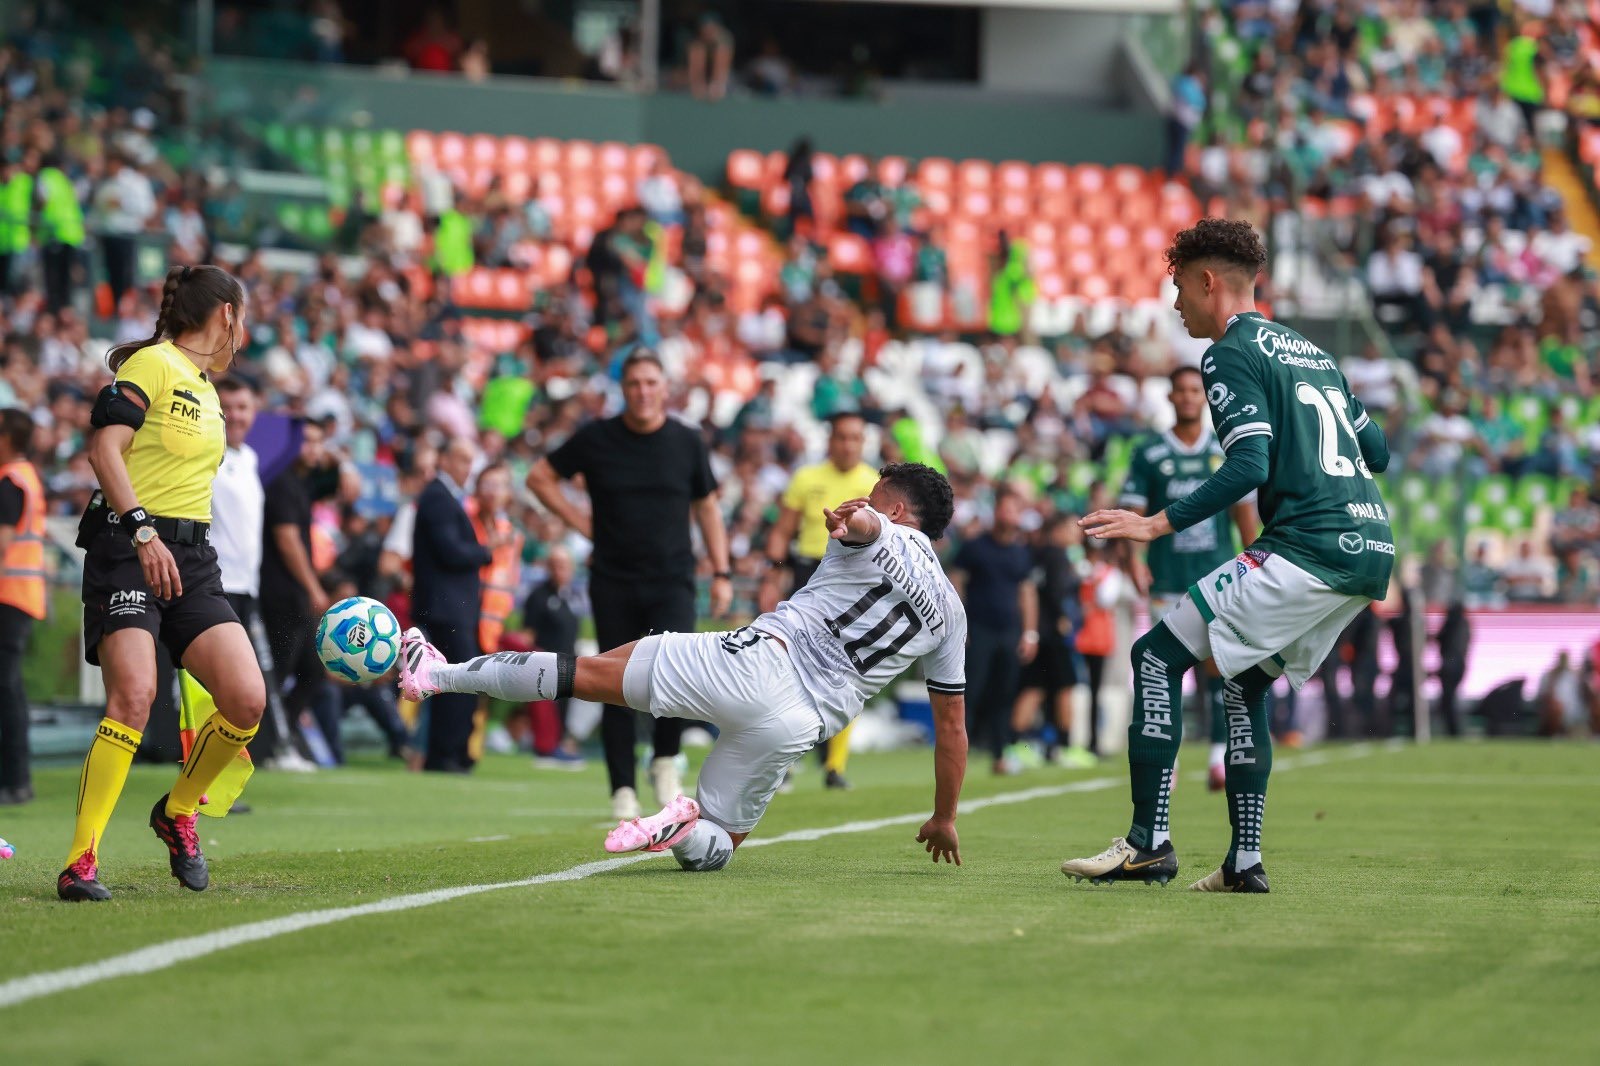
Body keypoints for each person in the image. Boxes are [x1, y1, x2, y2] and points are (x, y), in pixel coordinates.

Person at [400, 463, 968, 872]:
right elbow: (952, 729)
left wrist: (860, 522)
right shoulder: (950, 612)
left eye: (873, 496)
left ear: (895, 509)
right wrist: (943, 816)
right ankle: (684, 825)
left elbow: (871, 529)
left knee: (589, 672)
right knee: (723, 840)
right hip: (802, 722)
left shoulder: (880, 529)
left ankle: (436, 676)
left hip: (759, 660)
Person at [1060, 219, 1393, 894]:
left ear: (1208, 281)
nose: (1175, 302)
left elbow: (1248, 462)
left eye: (1179, 285)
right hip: (1369, 547)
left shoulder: (1228, 351)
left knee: (1155, 657)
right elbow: (1378, 451)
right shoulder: (1310, 351)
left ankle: (1147, 843)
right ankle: (1244, 862)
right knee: (1242, 685)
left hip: (1308, 543)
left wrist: (1156, 523)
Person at [61, 265, 268, 901]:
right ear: (226, 315)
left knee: (246, 700)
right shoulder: (155, 365)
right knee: (134, 696)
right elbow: (105, 451)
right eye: (245, 317)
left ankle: (178, 811)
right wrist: (144, 532)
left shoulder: (207, 389)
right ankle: (80, 861)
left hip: (192, 557)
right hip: (131, 548)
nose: (247, 332)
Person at [527, 351, 732, 820]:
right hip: (614, 579)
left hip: (673, 578)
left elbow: (707, 508)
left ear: (665, 388)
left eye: (651, 382)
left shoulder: (686, 440)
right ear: (623, 388)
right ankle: (621, 787)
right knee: (612, 681)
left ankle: (664, 761)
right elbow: (540, 478)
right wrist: (581, 522)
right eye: (634, 383)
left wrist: (720, 572)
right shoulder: (597, 438)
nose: (642, 391)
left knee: (678, 674)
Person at [1120, 365, 1259, 791]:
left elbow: (1243, 514)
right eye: (1178, 390)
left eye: (1193, 390)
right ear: (1169, 397)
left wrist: (1255, 561)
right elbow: (1135, 514)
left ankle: (1218, 758)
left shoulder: (1224, 450)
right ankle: (1170, 758)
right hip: (1167, 579)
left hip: (1218, 578)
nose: (1186, 397)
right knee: (1166, 672)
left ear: (1205, 397)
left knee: (1220, 668)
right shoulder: (1149, 453)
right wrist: (1135, 561)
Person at [758, 411, 878, 788]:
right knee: (791, 667)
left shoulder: (875, 482)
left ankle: (835, 767)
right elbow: (782, 531)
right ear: (830, 441)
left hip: (854, 580)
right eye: (841, 437)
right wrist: (774, 572)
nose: (847, 445)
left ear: (863, 443)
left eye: (855, 438)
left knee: (850, 669)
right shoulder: (806, 478)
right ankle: (787, 762)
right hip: (809, 573)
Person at [210, 375, 303, 769]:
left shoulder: (249, 459)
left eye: (243, 407)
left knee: (255, 677)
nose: (236, 415)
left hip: (247, 586)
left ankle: (260, 752)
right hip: (214, 584)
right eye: (227, 407)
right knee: (225, 682)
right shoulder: (208, 454)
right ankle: (207, 763)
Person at [412, 437, 492, 773]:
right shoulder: (438, 497)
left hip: (451, 607)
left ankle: (451, 751)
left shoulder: (443, 497)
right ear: (443, 459)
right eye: (460, 459)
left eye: (469, 460)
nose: (467, 467)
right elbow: (452, 552)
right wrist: (487, 551)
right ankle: (447, 754)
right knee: (459, 680)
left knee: (455, 680)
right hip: (447, 609)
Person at [260, 420, 334, 767]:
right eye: (307, 442)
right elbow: (287, 540)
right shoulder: (281, 483)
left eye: (319, 442)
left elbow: (340, 484)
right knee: (276, 672)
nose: (314, 449)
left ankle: (280, 738)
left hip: (294, 595)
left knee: (312, 670)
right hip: (280, 593)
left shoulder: (301, 484)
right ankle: (264, 746)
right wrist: (313, 586)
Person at [949, 488, 1037, 776]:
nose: (1008, 515)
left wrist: (1030, 632)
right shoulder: (975, 546)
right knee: (971, 690)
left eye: (1014, 510)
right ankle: (956, 750)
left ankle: (1000, 753)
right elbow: (956, 581)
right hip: (979, 629)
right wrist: (959, 624)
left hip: (1009, 631)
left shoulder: (1022, 551)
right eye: (1004, 509)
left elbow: (1027, 592)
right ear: (996, 511)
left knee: (1004, 693)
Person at [1010, 512, 1095, 768]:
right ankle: (1065, 747)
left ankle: (1016, 744)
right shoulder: (1058, 555)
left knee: (1034, 687)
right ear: (1057, 529)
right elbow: (1057, 591)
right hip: (1053, 635)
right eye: (1072, 527)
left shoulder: (1037, 553)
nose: (1077, 533)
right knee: (1065, 687)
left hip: (1036, 632)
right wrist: (1063, 617)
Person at [0, 409, 43, 806]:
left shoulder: (10, 481)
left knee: (6, 689)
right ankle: (16, 780)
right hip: (22, 595)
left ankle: (14, 780)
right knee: (9, 689)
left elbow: (3, 542)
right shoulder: (25, 476)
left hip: (9, 596)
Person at [524, 545, 586, 770]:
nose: (560, 570)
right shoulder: (539, 596)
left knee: (564, 706)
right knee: (547, 705)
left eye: (565, 566)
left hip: (568, 663)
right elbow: (527, 634)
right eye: (556, 565)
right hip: (545, 664)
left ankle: (559, 744)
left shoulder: (572, 597)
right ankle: (545, 748)